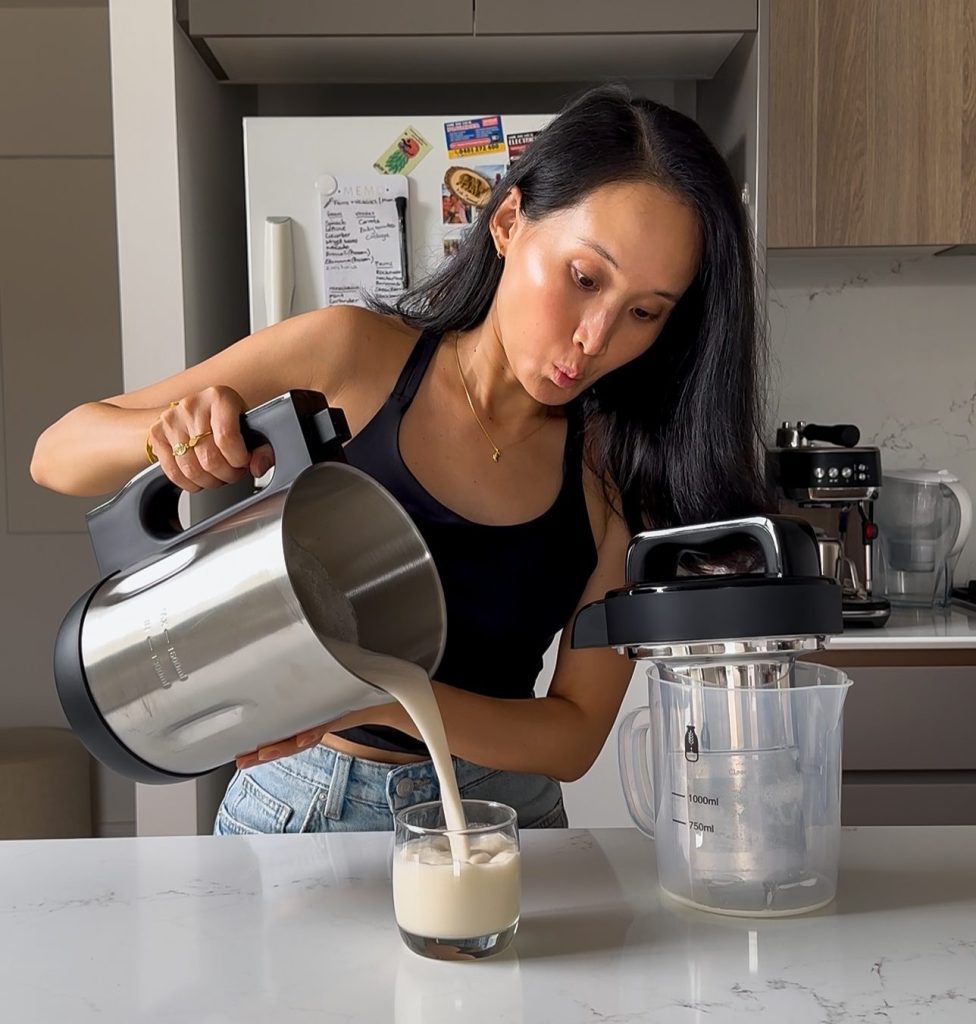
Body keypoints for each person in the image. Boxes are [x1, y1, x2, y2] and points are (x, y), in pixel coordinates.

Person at [31, 83, 770, 835]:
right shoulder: (351, 354)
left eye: (643, 312)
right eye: (584, 279)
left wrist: (372, 697)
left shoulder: (620, 471)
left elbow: (574, 734)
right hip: (297, 807)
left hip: (503, 819)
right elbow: (57, 455)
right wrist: (173, 433)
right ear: (510, 221)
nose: (595, 337)